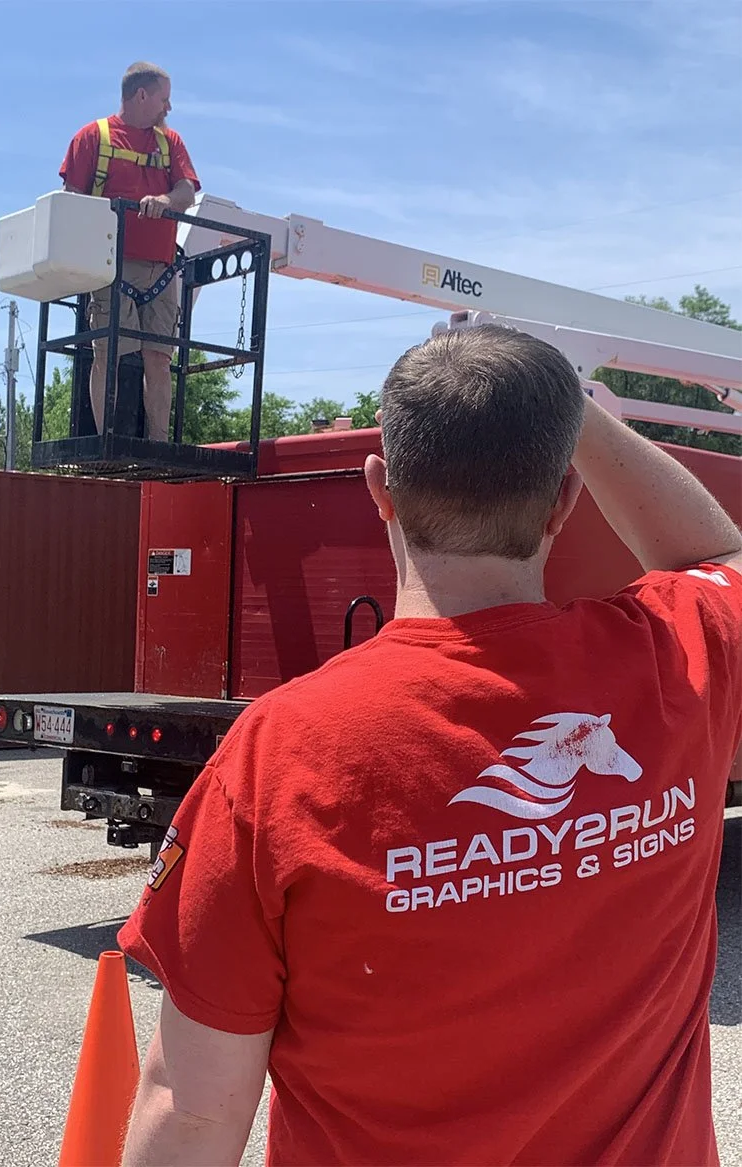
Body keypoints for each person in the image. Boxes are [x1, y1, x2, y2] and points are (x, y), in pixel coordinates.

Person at [118, 324, 742, 1166]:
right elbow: (718, 550)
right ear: (564, 498)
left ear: (379, 488)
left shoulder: (282, 750)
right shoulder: (673, 662)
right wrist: (576, 411)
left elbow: (193, 1110)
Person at [60, 62, 200, 442]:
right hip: (110, 266)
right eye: (164, 99)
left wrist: (164, 200)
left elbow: (186, 193)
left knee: (159, 357)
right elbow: (72, 201)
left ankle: (157, 444)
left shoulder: (170, 142)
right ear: (141, 95)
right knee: (110, 353)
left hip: (162, 269)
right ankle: (108, 441)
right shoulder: (93, 137)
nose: (168, 107)